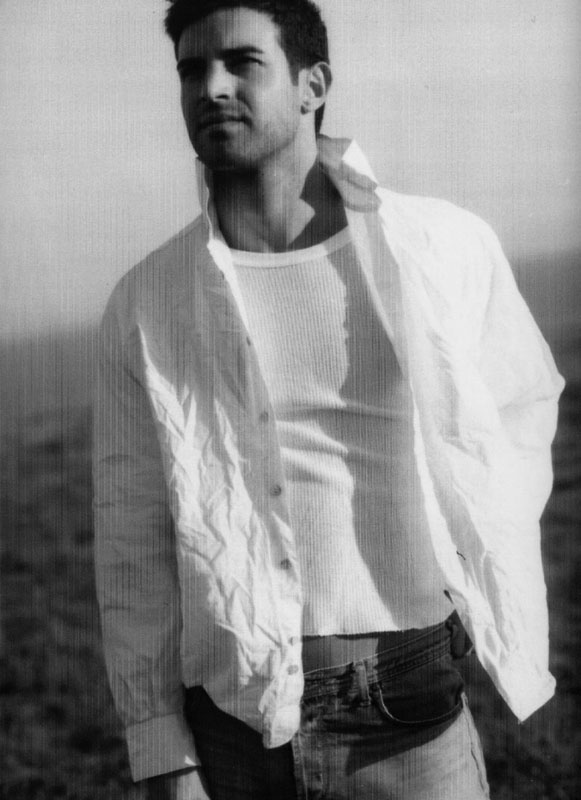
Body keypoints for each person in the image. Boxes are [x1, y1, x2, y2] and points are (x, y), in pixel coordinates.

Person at [93, 1, 565, 798]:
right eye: (190, 70)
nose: (210, 87)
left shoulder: (438, 246)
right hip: (233, 724)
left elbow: (519, 410)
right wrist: (162, 751)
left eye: (242, 62)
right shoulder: (147, 301)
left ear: (313, 85)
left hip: (408, 706)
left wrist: (475, 575)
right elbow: (129, 536)